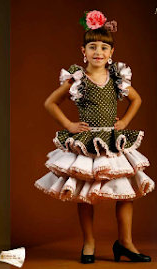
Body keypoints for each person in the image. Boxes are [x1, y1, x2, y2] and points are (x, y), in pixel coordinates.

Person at [34, 10, 154, 264]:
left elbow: (137, 99)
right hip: (87, 143)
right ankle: (88, 243)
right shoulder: (78, 78)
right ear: (83, 51)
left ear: (111, 53)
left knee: (126, 192)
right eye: (92, 47)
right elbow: (50, 103)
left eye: (104, 47)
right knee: (85, 193)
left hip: (113, 142)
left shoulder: (117, 78)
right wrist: (68, 124)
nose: (98, 52)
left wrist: (124, 122)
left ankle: (125, 242)